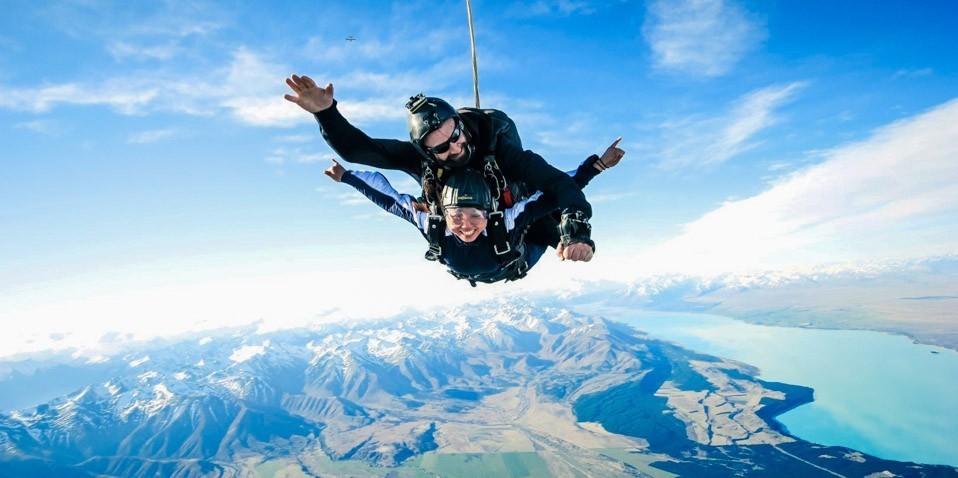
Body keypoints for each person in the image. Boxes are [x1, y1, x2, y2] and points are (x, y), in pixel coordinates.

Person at [284, 74, 597, 262]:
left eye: (456, 135)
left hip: (515, 214)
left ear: (460, 124)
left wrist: (573, 231)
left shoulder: (500, 151)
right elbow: (358, 149)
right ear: (425, 150)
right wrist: (327, 114)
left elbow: (558, 184)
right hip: (459, 231)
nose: (456, 147)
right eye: (442, 148)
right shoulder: (418, 159)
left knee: (536, 211)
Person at [323, 139, 624, 285]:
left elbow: (557, 187)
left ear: (489, 212)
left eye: (474, 216)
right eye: (456, 217)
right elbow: (386, 198)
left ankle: (557, 241)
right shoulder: (434, 222)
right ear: (444, 213)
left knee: (534, 208)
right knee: (528, 210)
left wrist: (595, 167)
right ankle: (551, 235)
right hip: (495, 259)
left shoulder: (504, 220)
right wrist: (346, 176)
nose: (465, 226)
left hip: (516, 260)